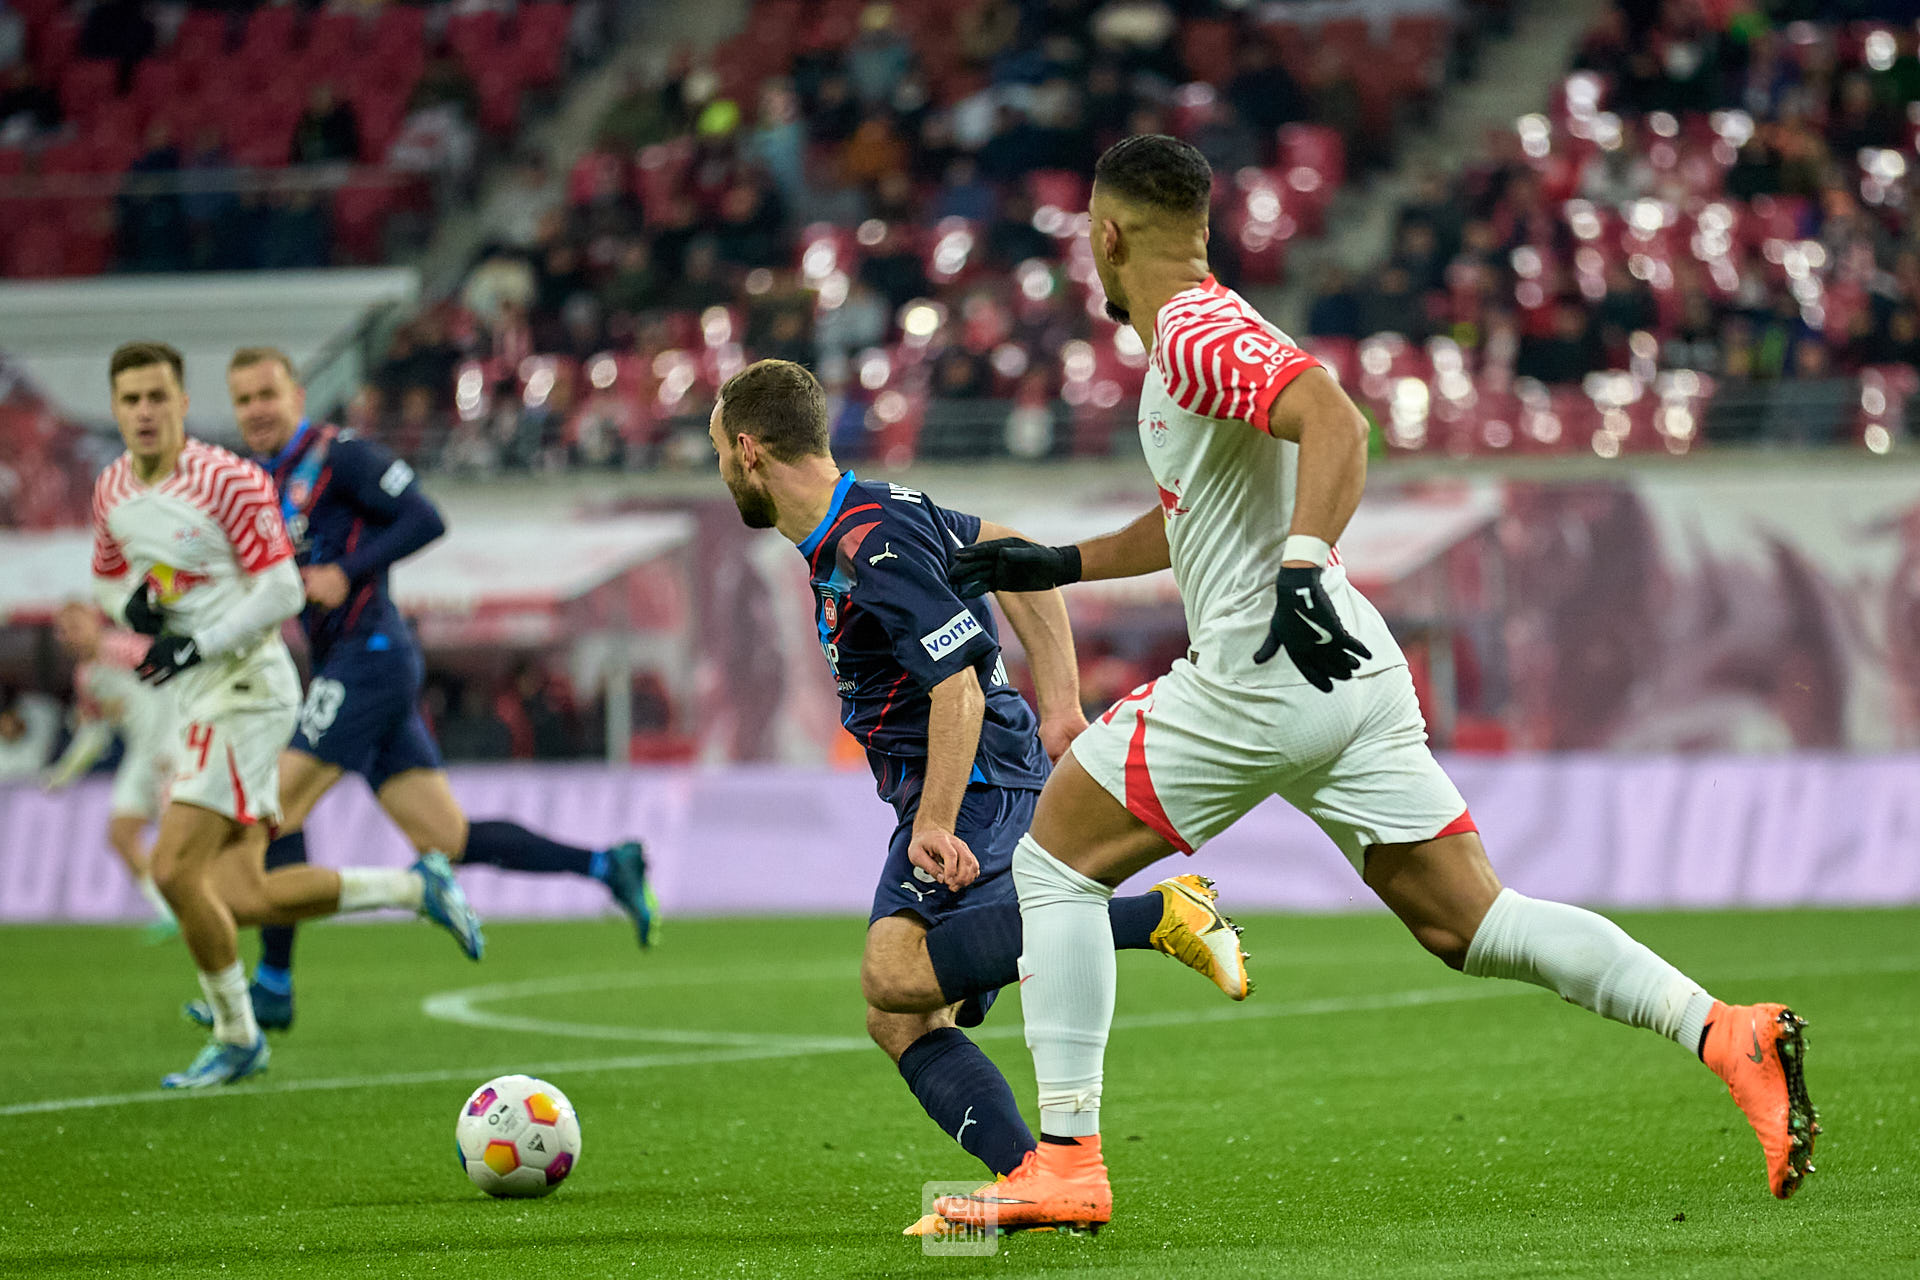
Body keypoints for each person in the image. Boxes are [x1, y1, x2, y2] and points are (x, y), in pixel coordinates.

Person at [931, 136, 1818, 1235]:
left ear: (1105, 236)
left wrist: (1300, 560)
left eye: (1091, 246)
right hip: (1348, 670)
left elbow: (1337, 420)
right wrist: (1058, 564)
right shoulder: (1205, 334)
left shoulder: (1194, 332)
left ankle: (1064, 1157)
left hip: (1263, 668)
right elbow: (1190, 516)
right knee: (1472, 922)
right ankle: (1727, 1029)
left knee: (1054, 861)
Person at [706, 359, 1252, 1235]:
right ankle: (1040, 1176)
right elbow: (1012, 560)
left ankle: (1155, 915)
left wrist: (933, 818)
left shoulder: (867, 544)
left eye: (720, 457)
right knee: (910, 1016)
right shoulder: (887, 509)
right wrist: (1063, 707)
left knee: (892, 978)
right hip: (979, 770)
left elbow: (953, 686)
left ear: (749, 450)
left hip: (970, 777)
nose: (723, 475)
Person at [183, 348, 655, 1035]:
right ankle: (605, 863)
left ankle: (273, 985)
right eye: (244, 398)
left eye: (267, 394)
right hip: (346, 663)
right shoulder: (261, 479)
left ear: (296, 394)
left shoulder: (341, 457)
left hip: (369, 656)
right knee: (448, 835)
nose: (256, 409)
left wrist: (348, 569)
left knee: (271, 811)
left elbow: (425, 518)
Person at [91, 342, 486, 1089]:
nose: (145, 413)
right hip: (195, 691)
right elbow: (111, 579)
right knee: (243, 893)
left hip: (249, 685)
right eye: (131, 400)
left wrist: (194, 642)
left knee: (176, 868)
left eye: (158, 398)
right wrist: (137, 608)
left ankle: (242, 1033)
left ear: (182, 403)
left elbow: (279, 591)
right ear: (115, 409)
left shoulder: (229, 480)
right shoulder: (111, 488)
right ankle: (414, 887)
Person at [44, 603, 180, 936]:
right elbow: (94, 730)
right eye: (62, 630)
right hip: (141, 755)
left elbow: (177, 679)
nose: (69, 637)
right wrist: (64, 772)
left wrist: (177, 742)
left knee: (179, 838)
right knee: (120, 834)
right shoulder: (86, 677)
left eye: (75, 626)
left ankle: (211, 903)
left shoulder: (124, 647)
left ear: (94, 622)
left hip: (173, 748)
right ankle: (169, 911)